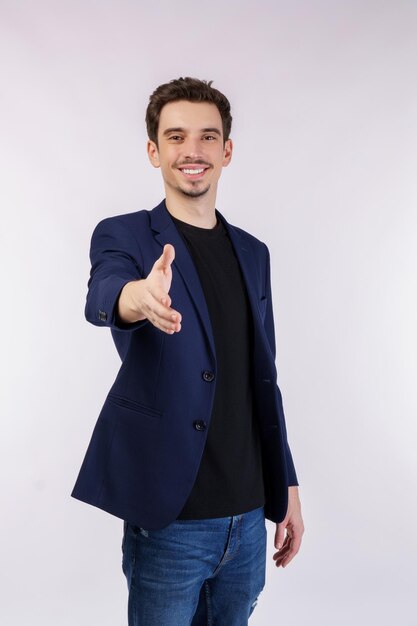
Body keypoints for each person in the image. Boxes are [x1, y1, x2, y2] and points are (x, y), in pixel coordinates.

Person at [72, 77, 304, 626]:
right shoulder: (125, 235)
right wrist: (138, 296)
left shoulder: (254, 253)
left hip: (247, 518)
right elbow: (103, 293)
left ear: (227, 151)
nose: (192, 151)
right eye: (175, 137)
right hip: (172, 519)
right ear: (154, 151)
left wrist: (286, 485)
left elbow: (262, 379)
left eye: (207, 137)